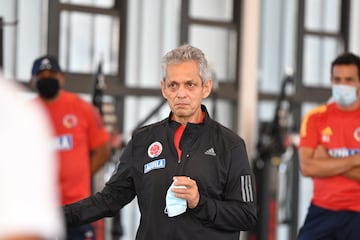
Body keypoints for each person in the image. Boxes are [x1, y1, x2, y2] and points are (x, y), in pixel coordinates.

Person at [64, 44, 257, 240]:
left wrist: (200, 203)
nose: (180, 94)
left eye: (190, 84)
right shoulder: (142, 140)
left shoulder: (230, 145)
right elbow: (109, 200)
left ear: (205, 88)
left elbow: (247, 216)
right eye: (173, 85)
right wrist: (56, 217)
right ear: (164, 88)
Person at [30, 55, 111, 240]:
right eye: (42, 75)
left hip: (77, 207)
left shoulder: (82, 108)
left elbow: (103, 149)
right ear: (32, 81)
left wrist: (81, 174)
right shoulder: (25, 113)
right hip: (38, 208)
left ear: (62, 77)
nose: (47, 77)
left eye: (52, 73)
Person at [298, 52, 360, 240]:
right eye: (337, 79)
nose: (342, 85)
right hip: (322, 210)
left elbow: (315, 164)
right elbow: (307, 167)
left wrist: (326, 160)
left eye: (349, 80)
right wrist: (355, 160)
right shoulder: (315, 117)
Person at [0, 76, 64, 239]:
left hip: (68, 205)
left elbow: (23, 228)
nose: (47, 77)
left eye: (51, 72)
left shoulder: (15, 113)